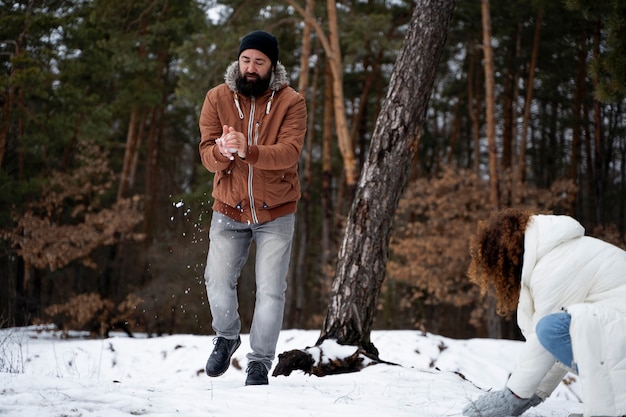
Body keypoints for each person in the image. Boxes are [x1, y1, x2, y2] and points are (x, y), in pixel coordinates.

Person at [198, 30, 307, 386]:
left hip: (276, 211)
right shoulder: (217, 97)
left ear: (272, 65)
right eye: (246, 60)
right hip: (229, 208)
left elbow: (290, 152)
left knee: (271, 290)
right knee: (216, 280)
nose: (250, 67)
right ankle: (227, 337)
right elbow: (205, 154)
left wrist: (250, 150)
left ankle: (259, 362)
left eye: (258, 62)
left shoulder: (292, 102)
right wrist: (223, 152)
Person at [462, 208, 626, 417]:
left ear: (508, 259)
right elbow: (556, 347)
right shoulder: (558, 252)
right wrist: (534, 394)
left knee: (551, 327)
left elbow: (544, 339)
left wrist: (512, 398)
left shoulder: (556, 265)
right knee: (565, 330)